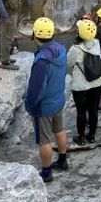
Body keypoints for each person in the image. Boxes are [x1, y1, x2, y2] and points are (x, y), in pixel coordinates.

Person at [24, 17, 68, 183]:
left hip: (44, 106)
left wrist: (29, 106)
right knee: (59, 129)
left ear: (35, 34)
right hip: (58, 98)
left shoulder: (41, 60)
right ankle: (63, 160)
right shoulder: (61, 49)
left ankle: (46, 171)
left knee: (44, 140)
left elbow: (36, 90)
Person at [67, 19, 101, 145]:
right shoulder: (97, 44)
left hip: (80, 85)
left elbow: (69, 65)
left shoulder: (75, 49)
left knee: (81, 112)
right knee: (93, 110)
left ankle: (81, 138)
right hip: (96, 83)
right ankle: (92, 136)